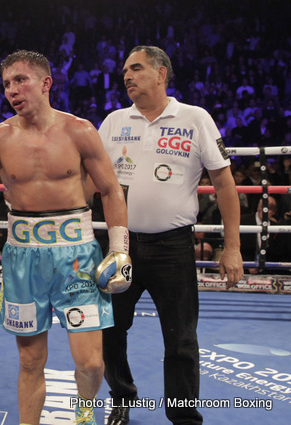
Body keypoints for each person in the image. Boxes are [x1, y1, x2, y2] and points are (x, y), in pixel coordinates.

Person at [0, 50, 129, 425]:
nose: (12, 89)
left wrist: (120, 250)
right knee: (29, 360)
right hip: (23, 256)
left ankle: (84, 415)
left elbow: (111, 190)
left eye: (21, 80)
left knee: (90, 362)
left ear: (45, 83)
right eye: (7, 83)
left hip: (77, 256)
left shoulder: (79, 131)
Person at [98, 45, 243, 425]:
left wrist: (233, 246)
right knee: (109, 332)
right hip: (120, 245)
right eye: (125, 70)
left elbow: (225, 184)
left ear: (161, 74)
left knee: (181, 340)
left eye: (137, 68)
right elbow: (87, 182)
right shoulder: (113, 122)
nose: (127, 76)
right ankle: (121, 397)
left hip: (174, 247)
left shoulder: (195, 119)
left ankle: (182, 417)